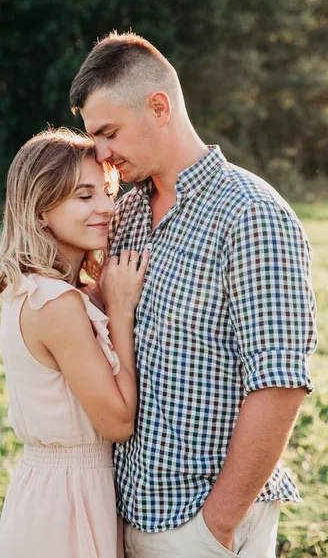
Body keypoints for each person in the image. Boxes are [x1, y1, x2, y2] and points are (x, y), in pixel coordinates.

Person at [69, 32, 318, 558]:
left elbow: (279, 384)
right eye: (95, 139)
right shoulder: (128, 214)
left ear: (159, 106)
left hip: (199, 525)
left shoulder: (252, 215)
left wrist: (216, 526)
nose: (103, 155)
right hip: (123, 512)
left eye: (109, 133)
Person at [0, 127, 149, 558]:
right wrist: (120, 312)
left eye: (106, 192)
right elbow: (117, 423)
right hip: (66, 505)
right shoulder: (56, 303)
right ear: (40, 211)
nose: (106, 208)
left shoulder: (39, 290)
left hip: (54, 491)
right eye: (84, 196)